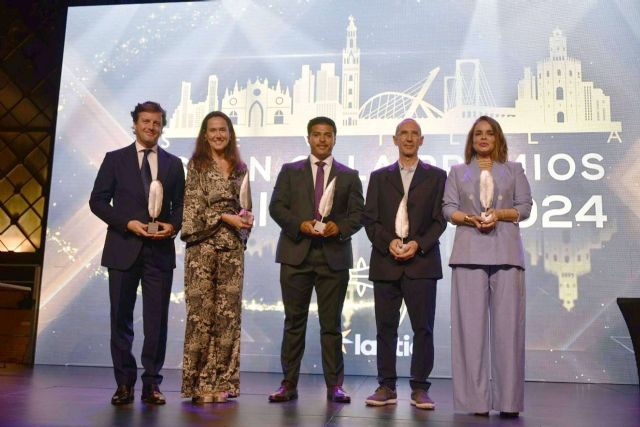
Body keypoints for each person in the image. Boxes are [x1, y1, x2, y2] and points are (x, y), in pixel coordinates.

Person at [89, 101, 185, 405]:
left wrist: (173, 225)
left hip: (159, 252)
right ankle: (124, 384)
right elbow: (98, 201)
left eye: (156, 123)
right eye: (145, 122)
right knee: (121, 319)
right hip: (122, 248)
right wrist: (127, 223)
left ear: (161, 126)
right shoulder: (114, 159)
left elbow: (182, 204)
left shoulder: (173, 163)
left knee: (156, 321)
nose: (150, 127)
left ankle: (152, 384)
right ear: (135, 124)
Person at [268, 116, 364, 403]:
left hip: (333, 257)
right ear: (308, 138)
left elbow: (359, 214)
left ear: (335, 138)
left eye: (327, 135)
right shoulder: (289, 171)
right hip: (296, 255)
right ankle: (288, 383)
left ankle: (335, 385)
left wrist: (341, 228)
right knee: (293, 322)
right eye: (317, 135)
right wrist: (300, 225)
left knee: (331, 324)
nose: (322, 140)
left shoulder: (349, 175)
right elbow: (276, 207)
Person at [442, 115, 532, 417]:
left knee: (509, 331)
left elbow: (525, 208)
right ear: (472, 140)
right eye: (478, 134)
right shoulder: (456, 172)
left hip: (506, 253)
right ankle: (474, 402)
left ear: (497, 139)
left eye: (489, 134)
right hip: (468, 254)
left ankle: (509, 403)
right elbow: (448, 208)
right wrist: (469, 219)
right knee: (470, 331)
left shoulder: (514, 169)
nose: (483, 138)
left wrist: (500, 214)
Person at [361, 118, 447, 410]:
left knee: (423, 328)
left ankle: (420, 388)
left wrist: (417, 244)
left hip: (421, 263)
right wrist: (388, 242)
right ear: (394, 139)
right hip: (386, 262)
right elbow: (369, 220)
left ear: (421, 140)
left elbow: (439, 220)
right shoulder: (378, 177)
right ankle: (386, 386)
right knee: (385, 328)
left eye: (414, 134)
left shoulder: (437, 177)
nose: (409, 139)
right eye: (403, 134)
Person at [179, 111, 253, 404]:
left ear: (230, 133)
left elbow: (245, 206)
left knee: (228, 319)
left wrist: (244, 221)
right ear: (205, 134)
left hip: (232, 250)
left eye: (223, 130)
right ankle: (198, 384)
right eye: (213, 130)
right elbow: (192, 210)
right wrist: (225, 216)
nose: (218, 135)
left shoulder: (240, 167)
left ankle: (223, 382)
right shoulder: (197, 165)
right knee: (201, 317)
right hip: (202, 249)